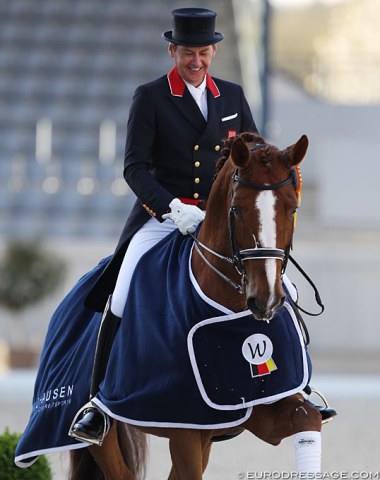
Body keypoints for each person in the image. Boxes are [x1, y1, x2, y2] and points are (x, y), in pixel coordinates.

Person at [69, 7, 336, 446]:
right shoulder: (151, 96)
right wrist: (172, 207)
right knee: (122, 285)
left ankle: (299, 386)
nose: (196, 60)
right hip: (165, 216)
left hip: (222, 217)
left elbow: (256, 151)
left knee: (280, 282)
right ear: (173, 51)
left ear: (213, 51)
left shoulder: (231, 95)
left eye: (203, 52)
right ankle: (98, 403)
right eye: (187, 52)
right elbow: (135, 168)